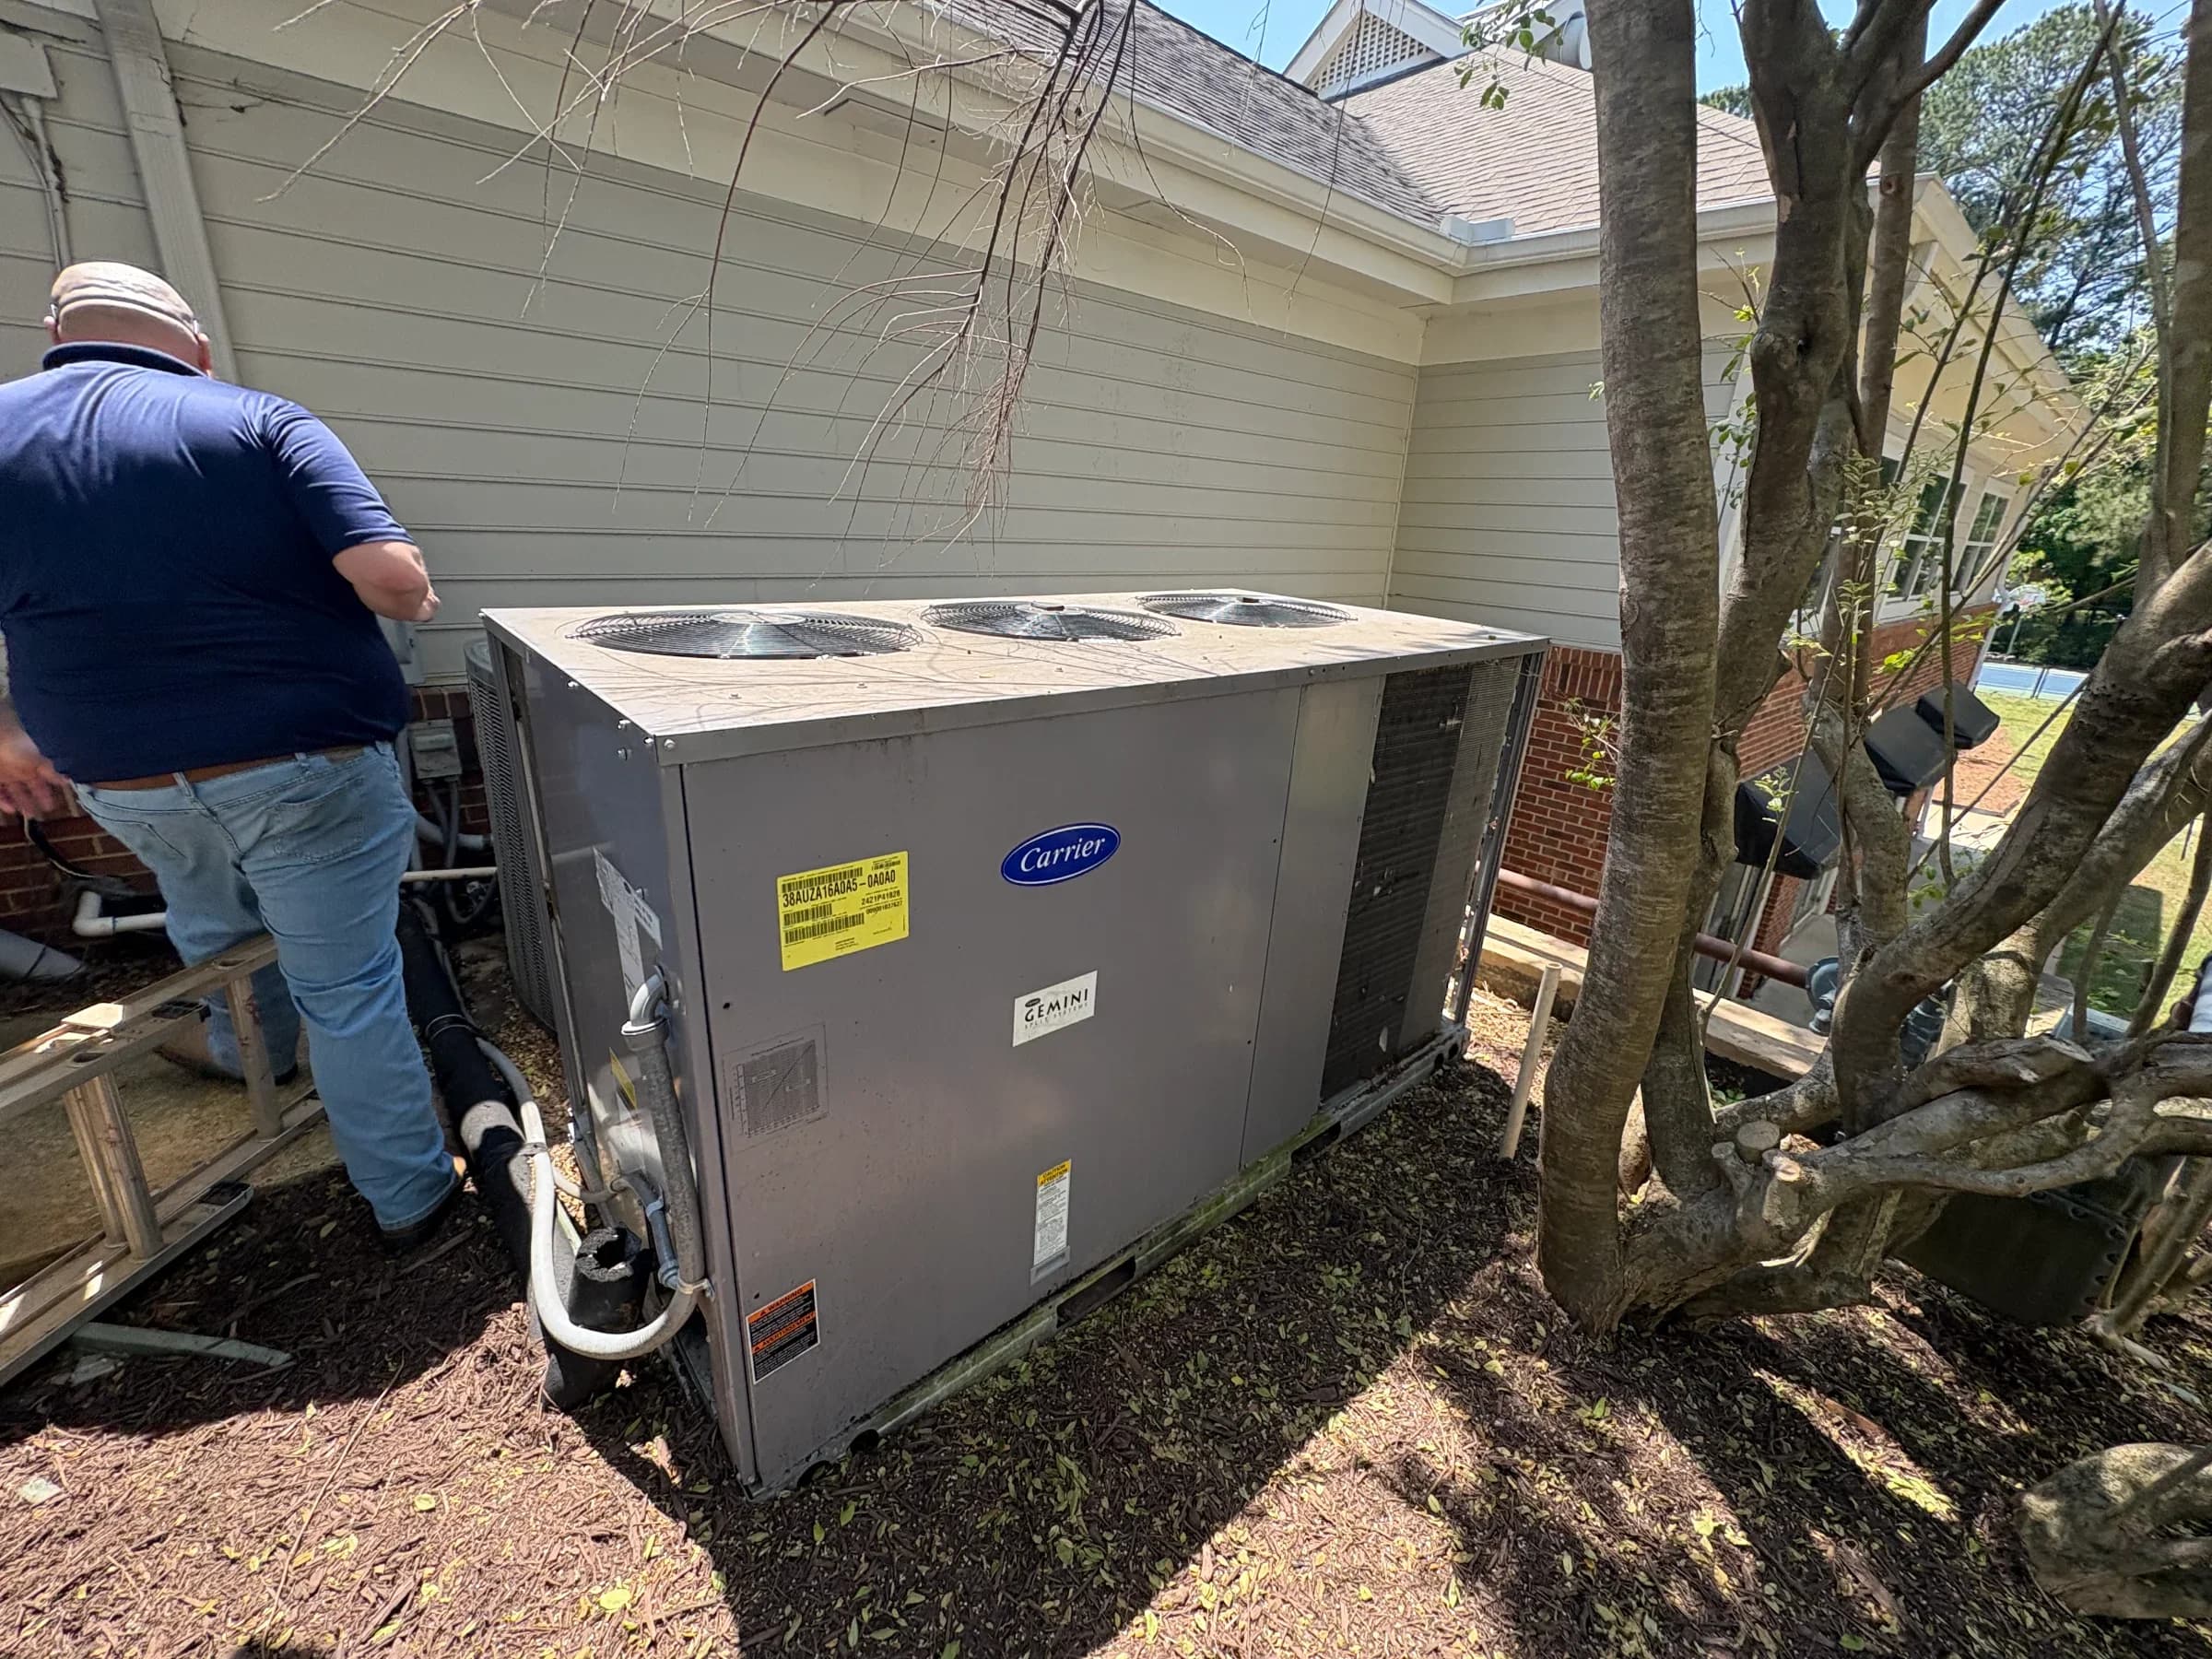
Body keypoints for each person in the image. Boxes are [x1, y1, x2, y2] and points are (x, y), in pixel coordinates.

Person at [0, 262, 460, 1247]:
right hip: (305, 767)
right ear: (196, 348)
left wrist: (4, 735)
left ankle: (255, 1058)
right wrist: (413, 598)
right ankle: (411, 1201)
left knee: (213, 925)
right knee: (350, 987)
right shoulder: (257, 421)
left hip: (122, 779)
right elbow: (390, 578)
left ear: (55, 334)